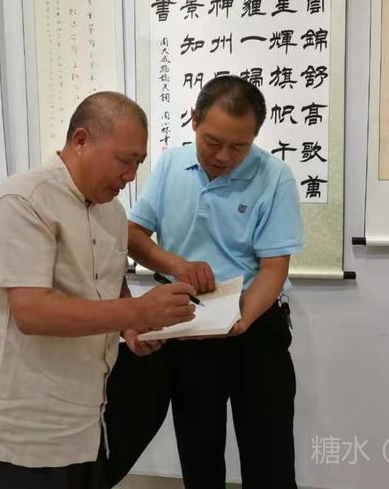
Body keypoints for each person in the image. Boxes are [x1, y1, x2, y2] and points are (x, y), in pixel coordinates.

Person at [0, 91, 195, 489]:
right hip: (28, 427)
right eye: (124, 160)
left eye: (139, 163)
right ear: (81, 140)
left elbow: (109, 281)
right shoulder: (23, 201)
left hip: (90, 421)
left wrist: (131, 327)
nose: (131, 176)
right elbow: (32, 313)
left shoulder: (113, 213)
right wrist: (137, 311)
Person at [128, 75, 304, 488]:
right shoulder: (170, 165)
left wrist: (242, 318)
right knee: (199, 449)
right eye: (212, 141)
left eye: (239, 146)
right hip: (189, 323)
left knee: (270, 451)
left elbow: (274, 268)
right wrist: (176, 264)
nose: (224, 156)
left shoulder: (275, 176)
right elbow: (133, 236)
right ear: (194, 120)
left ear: (255, 135)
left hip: (254, 322)